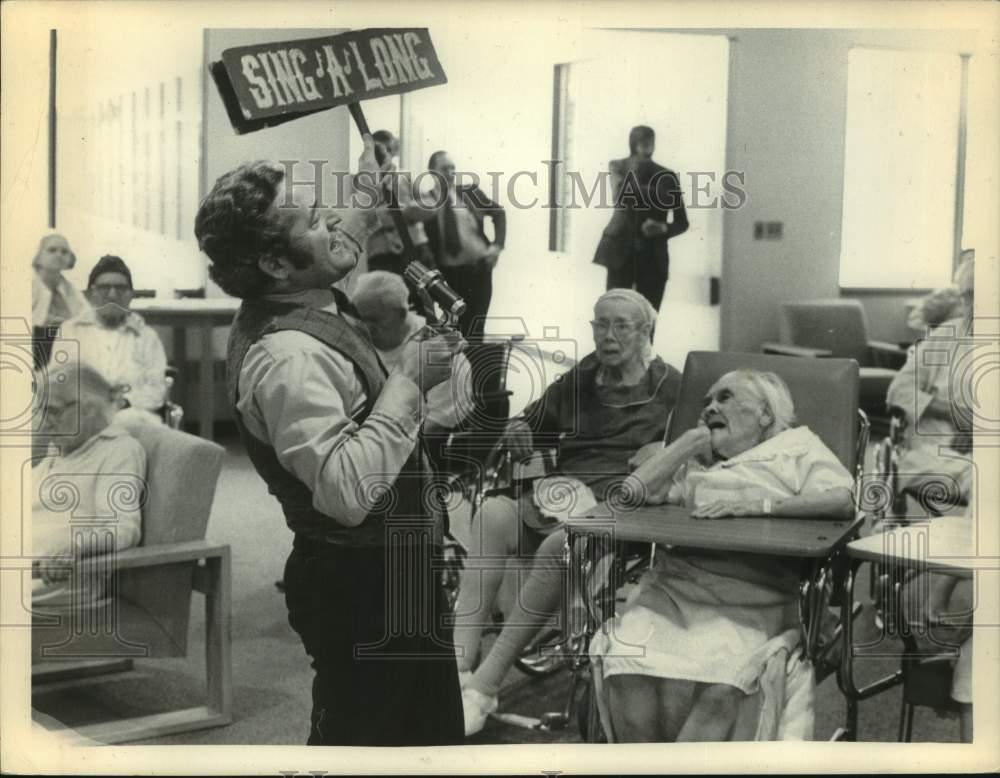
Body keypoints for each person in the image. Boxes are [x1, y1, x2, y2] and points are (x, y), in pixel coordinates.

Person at [193, 135, 466, 746]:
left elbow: (350, 224)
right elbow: (347, 493)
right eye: (316, 220)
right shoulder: (287, 358)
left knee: (430, 737)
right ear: (275, 264)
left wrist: (370, 187)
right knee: (362, 745)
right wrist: (408, 380)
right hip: (360, 584)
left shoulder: (302, 291)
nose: (335, 224)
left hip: (391, 569)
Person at [457, 288, 682, 735]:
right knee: (492, 515)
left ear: (646, 331)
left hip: (623, 506)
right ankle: (459, 666)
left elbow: (704, 447)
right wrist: (519, 426)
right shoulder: (582, 378)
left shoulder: (671, 386)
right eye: (601, 324)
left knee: (562, 546)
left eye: (621, 325)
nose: (608, 335)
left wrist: (666, 450)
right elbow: (532, 420)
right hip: (566, 495)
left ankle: (484, 686)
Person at [591, 370, 854, 741]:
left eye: (725, 397)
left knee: (724, 686)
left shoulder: (798, 446)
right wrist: (687, 442)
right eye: (707, 402)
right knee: (625, 670)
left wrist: (756, 506)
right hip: (675, 590)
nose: (710, 407)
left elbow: (841, 500)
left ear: (765, 414)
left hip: (756, 594)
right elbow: (626, 499)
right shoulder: (699, 462)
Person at [32, 360, 146, 605]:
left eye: (53, 411)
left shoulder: (118, 450)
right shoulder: (63, 448)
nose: (44, 422)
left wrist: (75, 547)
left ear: (89, 409)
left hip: (54, 578)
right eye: (41, 411)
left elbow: (123, 528)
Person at [886, 251, 975, 507]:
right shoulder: (946, 335)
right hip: (931, 452)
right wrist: (953, 412)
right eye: (968, 296)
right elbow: (898, 392)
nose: (974, 305)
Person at [352, 270, 474, 436]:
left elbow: (436, 422)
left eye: (374, 319)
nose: (366, 327)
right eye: (360, 318)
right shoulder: (355, 339)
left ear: (402, 313)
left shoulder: (437, 346)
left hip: (431, 437)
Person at [54, 255, 169, 428]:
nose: (113, 294)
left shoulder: (146, 336)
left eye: (120, 288)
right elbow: (58, 382)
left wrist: (125, 402)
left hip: (134, 420)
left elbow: (158, 389)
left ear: (130, 295)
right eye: (104, 288)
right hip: (83, 419)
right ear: (90, 294)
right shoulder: (71, 331)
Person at [593, 125, 689, 312]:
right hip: (620, 255)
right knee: (616, 317)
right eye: (642, 141)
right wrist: (661, 193)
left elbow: (682, 222)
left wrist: (663, 228)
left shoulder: (667, 176)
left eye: (651, 141)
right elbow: (621, 195)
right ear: (633, 143)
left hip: (653, 258)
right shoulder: (618, 166)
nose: (648, 145)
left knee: (648, 319)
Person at [423, 150, 506, 342]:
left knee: (476, 329)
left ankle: (475, 362)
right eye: (444, 169)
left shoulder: (469, 193)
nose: (450, 173)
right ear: (432, 172)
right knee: (456, 331)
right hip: (451, 277)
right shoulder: (425, 202)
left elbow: (499, 213)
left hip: (480, 271)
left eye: (453, 168)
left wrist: (496, 247)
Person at [31, 234, 89, 368]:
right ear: (38, 255)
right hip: (34, 345)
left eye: (64, 252)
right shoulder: (29, 284)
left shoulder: (69, 289)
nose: (58, 255)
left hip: (67, 344)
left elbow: (86, 314)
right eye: (52, 250)